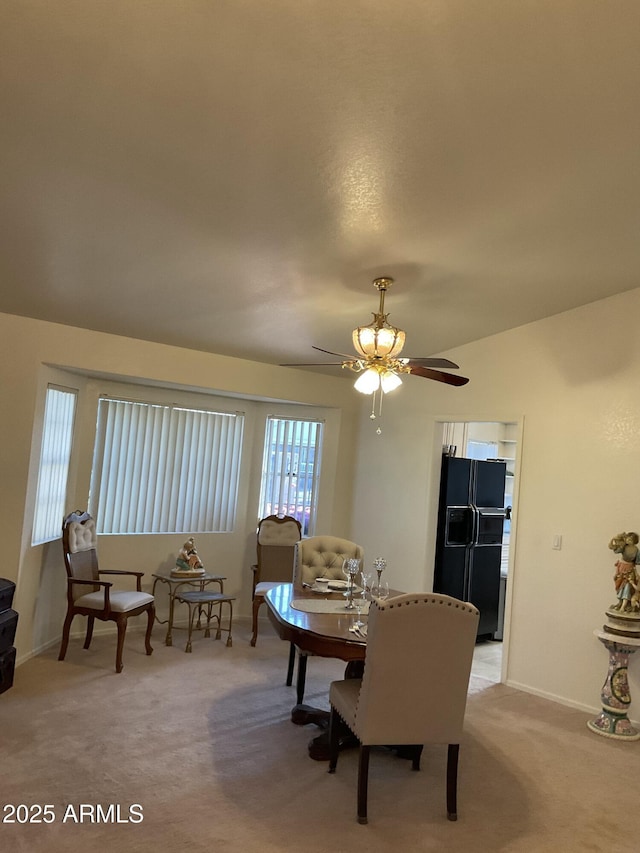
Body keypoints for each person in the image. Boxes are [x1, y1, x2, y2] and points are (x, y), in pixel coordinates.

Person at [609, 531, 640, 612]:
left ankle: (625, 605)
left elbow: (637, 561)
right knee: (619, 584)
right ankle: (620, 602)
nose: (628, 541)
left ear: (634, 541)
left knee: (627, 586)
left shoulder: (636, 550)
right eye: (627, 539)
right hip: (621, 567)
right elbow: (616, 551)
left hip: (629, 569)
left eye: (630, 540)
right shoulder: (624, 547)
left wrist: (635, 572)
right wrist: (614, 543)